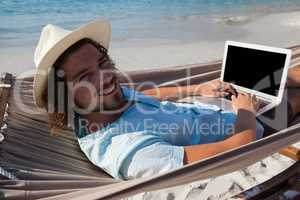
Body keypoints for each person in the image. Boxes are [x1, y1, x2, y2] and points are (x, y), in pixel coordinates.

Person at [33, 20, 300, 180]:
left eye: (103, 62)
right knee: (295, 91)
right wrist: (246, 112)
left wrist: (199, 88)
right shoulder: (130, 151)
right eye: (84, 76)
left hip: (214, 108)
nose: (106, 78)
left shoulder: (100, 104)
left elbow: (141, 95)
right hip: (251, 130)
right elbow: (238, 147)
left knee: (282, 76)